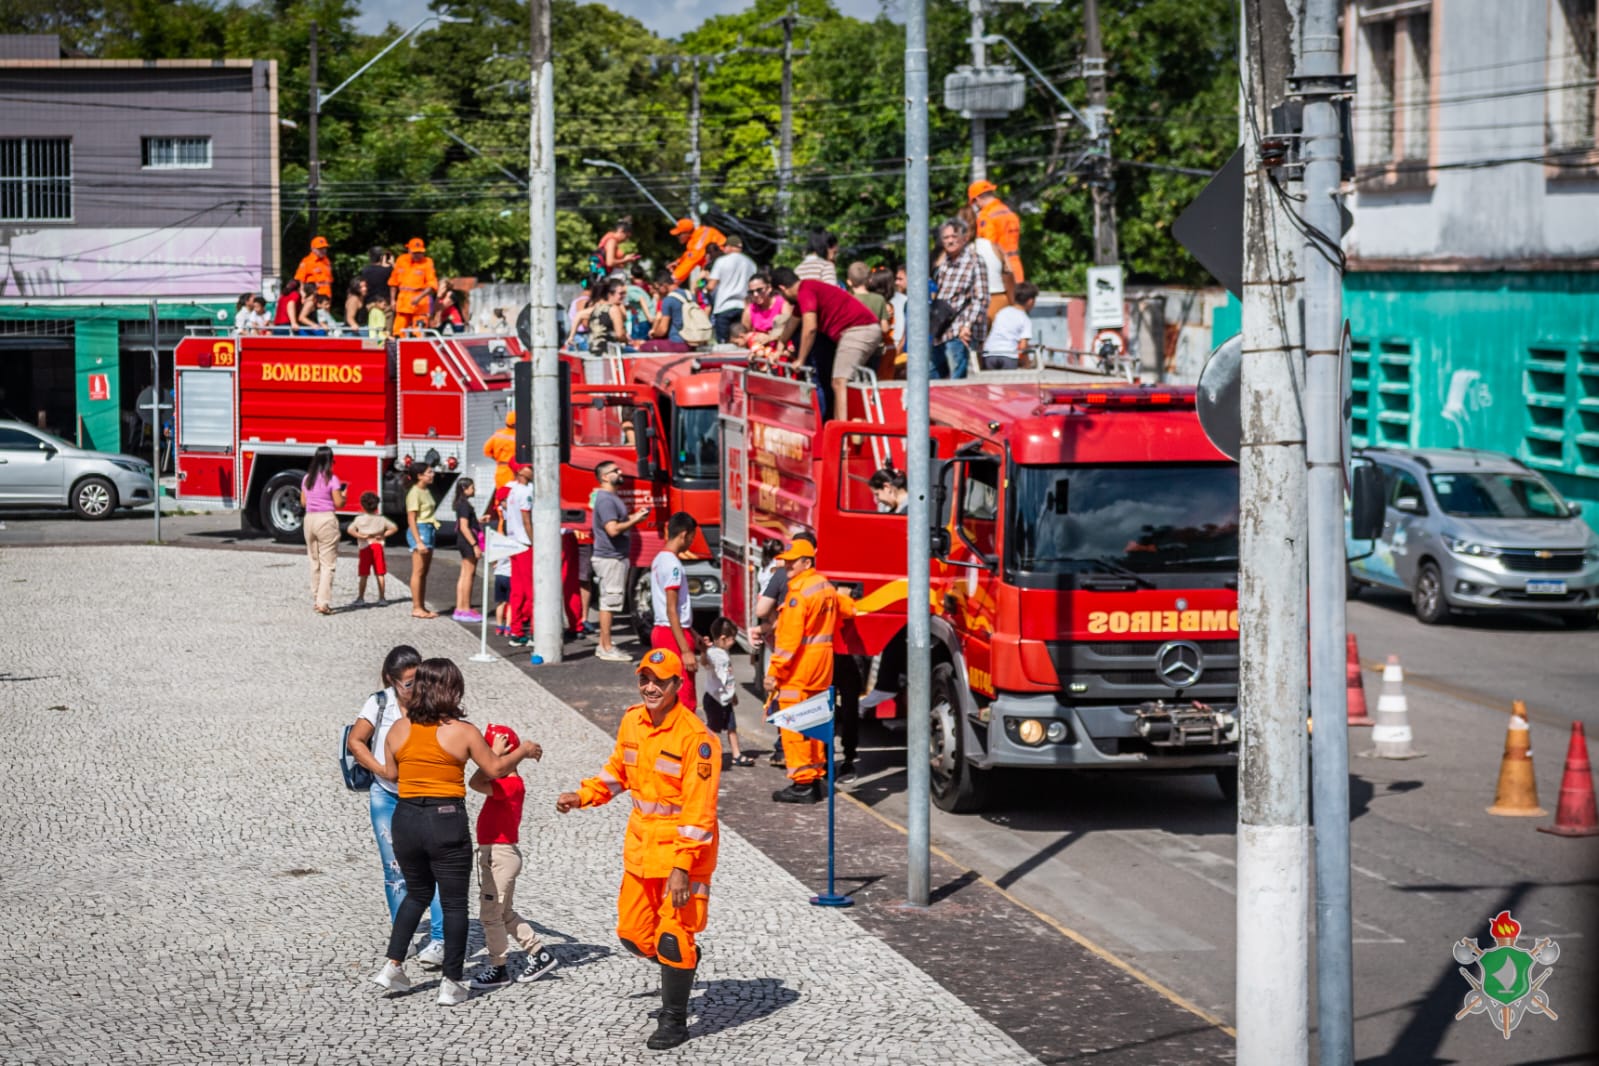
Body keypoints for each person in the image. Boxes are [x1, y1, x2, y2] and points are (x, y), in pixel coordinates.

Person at [555, 650, 721, 1050]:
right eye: (644, 679)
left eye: (659, 680)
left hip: (683, 857)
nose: (650, 687)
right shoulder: (633, 720)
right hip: (642, 850)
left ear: (677, 685)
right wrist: (583, 796)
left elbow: (699, 812)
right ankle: (681, 963)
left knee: (672, 937)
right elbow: (618, 772)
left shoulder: (697, 739)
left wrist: (682, 867)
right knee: (632, 934)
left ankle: (674, 1020)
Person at [369, 658, 544, 1006]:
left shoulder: (398, 729)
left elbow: (392, 773)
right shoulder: (463, 731)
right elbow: (495, 768)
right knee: (453, 904)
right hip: (445, 820)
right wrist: (524, 750)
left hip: (405, 819)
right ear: (452, 691)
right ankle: (451, 982)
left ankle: (392, 967)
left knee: (416, 895)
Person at [345, 645, 448, 968]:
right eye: (409, 683)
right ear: (392, 681)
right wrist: (381, 770)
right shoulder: (380, 703)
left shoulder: (431, 700)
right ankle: (403, 934)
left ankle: (440, 938)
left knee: (434, 868)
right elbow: (355, 741)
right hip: (386, 795)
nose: (416, 688)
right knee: (395, 869)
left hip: (426, 796)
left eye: (420, 679)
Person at [466, 723, 561, 989]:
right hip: (496, 855)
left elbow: (475, 782)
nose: (485, 757)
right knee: (504, 912)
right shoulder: (506, 782)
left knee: (490, 915)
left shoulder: (511, 784)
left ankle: (498, 968)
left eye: (488, 751)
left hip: (500, 856)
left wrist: (496, 756)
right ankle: (539, 954)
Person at [764, 538, 838, 803]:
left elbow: (788, 642)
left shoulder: (798, 595)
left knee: (794, 726)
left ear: (807, 562)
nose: (787, 566)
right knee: (815, 721)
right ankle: (815, 778)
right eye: (786, 561)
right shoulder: (826, 587)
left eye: (792, 562)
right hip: (822, 666)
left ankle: (802, 783)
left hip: (799, 670)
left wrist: (773, 672)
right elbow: (847, 611)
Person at [772, 266, 883, 422]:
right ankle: (841, 426)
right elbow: (792, 323)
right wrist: (779, 346)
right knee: (842, 382)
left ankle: (841, 431)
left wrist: (801, 359)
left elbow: (810, 328)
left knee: (840, 382)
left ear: (782, 288)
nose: (783, 299)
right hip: (859, 330)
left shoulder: (806, 291)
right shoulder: (807, 290)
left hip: (858, 330)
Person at [591, 461, 649, 662]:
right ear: (605, 477)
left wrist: (634, 516)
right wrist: (635, 520)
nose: (620, 472)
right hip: (610, 558)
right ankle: (606, 647)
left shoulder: (610, 498)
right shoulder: (606, 500)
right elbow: (613, 529)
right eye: (614, 471)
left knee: (610, 601)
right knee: (610, 602)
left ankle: (604, 644)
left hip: (613, 557)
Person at [649, 512, 701, 713]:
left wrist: (694, 633)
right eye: (692, 537)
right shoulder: (673, 565)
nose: (691, 542)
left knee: (665, 692)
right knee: (684, 696)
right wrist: (686, 651)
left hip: (662, 630)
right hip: (672, 635)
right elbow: (672, 609)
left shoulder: (659, 559)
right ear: (684, 534)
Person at [932, 218, 988, 380]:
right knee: (933, 376)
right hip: (940, 329)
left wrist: (967, 325)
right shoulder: (944, 262)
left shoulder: (975, 261)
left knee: (956, 380)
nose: (950, 241)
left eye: (954, 236)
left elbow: (981, 298)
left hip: (960, 330)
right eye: (946, 237)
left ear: (964, 238)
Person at [300, 446, 345, 616]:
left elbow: (303, 502)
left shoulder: (307, 479)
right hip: (326, 519)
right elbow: (339, 503)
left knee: (314, 560)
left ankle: (316, 597)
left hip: (309, 519)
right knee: (328, 563)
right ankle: (323, 602)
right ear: (330, 461)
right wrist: (344, 495)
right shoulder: (332, 479)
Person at [702, 617, 752, 766]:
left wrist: (733, 695)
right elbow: (705, 662)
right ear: (723, 638)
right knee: (713, 728)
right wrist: (703, 651)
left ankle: (736, 754)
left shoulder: (724, 652)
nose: (734, 642)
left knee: (732, 727)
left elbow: (729, 679)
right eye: (732, 639)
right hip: (714, 698)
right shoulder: (712, 653)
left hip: (726, 699)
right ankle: (706, 751)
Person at [960, 203, 1013, 325]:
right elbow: (1008, 274)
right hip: (998, 301)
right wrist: (1013, 304)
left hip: (970, 303)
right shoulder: (993, 246)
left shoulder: (956, 250)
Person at [969, 179, 1025, 283]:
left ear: (977, 199)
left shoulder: (986, 216)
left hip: (999, 270)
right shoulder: (1009, 212)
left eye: (974, 202)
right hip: (1015, 267)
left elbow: (987, 246)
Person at [504, 461, 535, 647]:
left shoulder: (512, 489)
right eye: (529, 467)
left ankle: (516, 631)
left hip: (514, 542)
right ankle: (534, 632)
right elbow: (527, 520)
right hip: (525, 544)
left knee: (517, 591)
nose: (533, 469)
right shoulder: (526, 491)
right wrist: (535, 542)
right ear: (521, 470)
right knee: (532, 591)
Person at [706, 233, 757, 344]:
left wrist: (703, 285)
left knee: (723, 346)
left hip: (723, 306)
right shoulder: (751, 263)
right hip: (744, 307)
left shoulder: (721, 261)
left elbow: (711, 286)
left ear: (729, 247)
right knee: (742, 343)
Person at [348, 491, 398, 604]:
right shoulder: (381, 519)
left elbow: (350, 530)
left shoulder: (359, 519)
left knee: (364, 574)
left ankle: (361, 598)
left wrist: (360, 535)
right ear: (377, 505)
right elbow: (394, 528)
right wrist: (383, 535)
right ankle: (382, 598)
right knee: (380, 573)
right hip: (377, 545)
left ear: (362, 505)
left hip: (365, 546)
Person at [405, 462, 440, 619]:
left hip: (429, 528)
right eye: (429, 472)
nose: (432, 474)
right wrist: (418, 541)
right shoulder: (414, 493)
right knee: (418, 571)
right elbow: (411, 518)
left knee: (424, 572)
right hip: (421, 529)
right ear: (419, 476)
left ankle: (422, 606)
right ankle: (416, 607)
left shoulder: (425, 490)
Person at [983, 281, 1038, 371]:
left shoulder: (1002, 312)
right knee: (1008, 380)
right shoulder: (1025, 319)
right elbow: (1023, 347)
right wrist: (1027, 365)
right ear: (1030, 301)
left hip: (989, 353)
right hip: (1008, 355)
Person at [389, 238, 438, 335]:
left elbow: (432, 285)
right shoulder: (401, 260)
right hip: (403, 304)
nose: (418, 255)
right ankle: (397, 344)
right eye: (415, 252)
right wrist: (392, 300)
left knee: (419, 333)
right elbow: (393, 282)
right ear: (409, 250)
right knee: (397, 332)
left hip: (420, 305)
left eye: (420, 252)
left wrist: (419, 297)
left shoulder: (427, 262)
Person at [452, 478, 483, 623]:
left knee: (464, 574)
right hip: (467, 542)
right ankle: (465, 609)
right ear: (465, 489)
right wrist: (475, 544)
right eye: (472, 487)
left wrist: (478, 520)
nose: (474, 490)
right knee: (469, 575)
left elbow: (466, 523)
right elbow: (464, 527)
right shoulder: (464, 505)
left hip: (462, 541)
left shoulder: (460, 504)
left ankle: (460, 608)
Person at [739, 271, 791, 350]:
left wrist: (770, 337)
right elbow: (745, 335)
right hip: (760, 350)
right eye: (751, 292)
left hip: (782, 349)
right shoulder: (749, 310)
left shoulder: (783, 304)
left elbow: (790, 330)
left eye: (759, 290)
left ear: (769, 288)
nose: (755, 294)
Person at [667, 217, 726, 285]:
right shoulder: (694, 238)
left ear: (687, 232)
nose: (677, 237)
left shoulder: (701, 236)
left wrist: (672, 278)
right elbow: (689, 255)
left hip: (721, 266)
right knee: (699, 286)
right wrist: (678, 262)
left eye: (679, 234)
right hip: (713, 267)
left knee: (698, 285)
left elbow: (692, 258)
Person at [649, 271, 691, 345]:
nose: (657, 292)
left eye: (657, 288)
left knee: (645, 346)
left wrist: (653, 333)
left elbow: (662, 331)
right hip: (693, 339)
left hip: (677, 341)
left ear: (664, 285)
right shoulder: (689, 294)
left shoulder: (668, 300)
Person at [588, 278, 628, 355]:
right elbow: (619, 335)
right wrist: (627, 340)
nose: (624, 296)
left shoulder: (597, 308)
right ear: (610, 294)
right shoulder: (614, 309)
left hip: (594, 349)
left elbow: (580, 314)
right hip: (608, 351)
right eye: (621, 293)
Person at [483, 411, 517, 491]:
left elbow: (486, 450)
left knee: (501, 494)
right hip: (515, 471)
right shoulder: (519, 436)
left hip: (501, 469)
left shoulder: (498, 434)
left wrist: (497, 458)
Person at [295, 235, 334, 299]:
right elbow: (300, 281)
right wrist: (303, 295)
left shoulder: (327, 261)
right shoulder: (307, 261)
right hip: (313, 297)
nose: (323, 250)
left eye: (325, 248)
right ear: (313, 249)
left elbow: (329, 281)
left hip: (326, 297)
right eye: (320, 248)